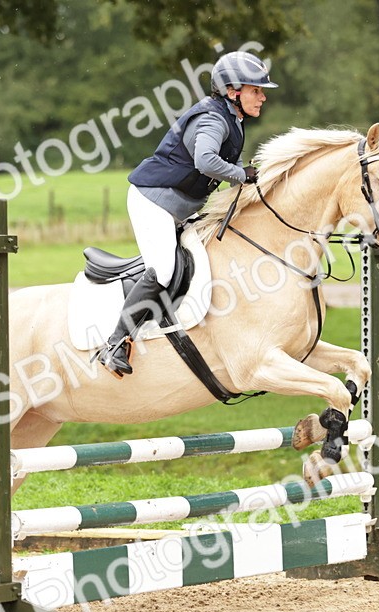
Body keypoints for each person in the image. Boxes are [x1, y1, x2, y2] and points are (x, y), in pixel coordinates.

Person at [94, 50, 277, 378]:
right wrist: (241, 174)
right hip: (153, 202)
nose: (262, 97)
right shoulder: (212, 118)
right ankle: (115, 343)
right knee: (163, 270)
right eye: (256, 90)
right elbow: (206, 162)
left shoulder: (231, 118)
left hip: (178, 207)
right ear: (233, 91)